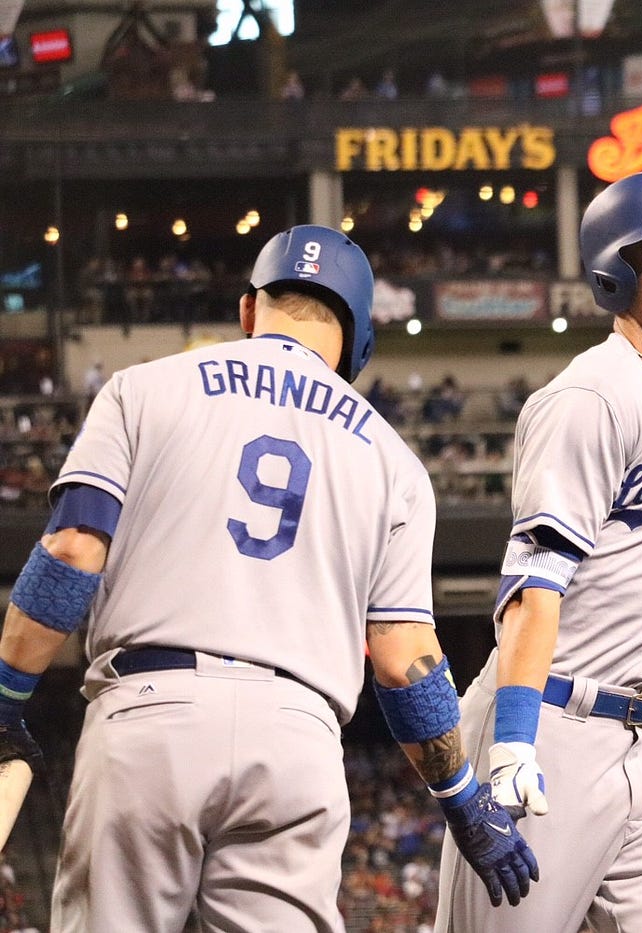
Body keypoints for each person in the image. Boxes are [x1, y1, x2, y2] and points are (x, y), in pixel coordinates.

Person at [0, 225, 536, 931]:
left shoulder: (142, 389)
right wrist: (461, 795)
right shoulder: (394, 460)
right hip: (297, 739)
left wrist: (7, 695)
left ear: (250, 309)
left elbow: (71, 551)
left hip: (148, 718)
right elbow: (407, 664)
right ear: (357, 336)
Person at [435, 171, 642, 931]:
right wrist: (512, 739)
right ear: (613, 274)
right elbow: (536, 586)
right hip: (551, 721)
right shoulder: (588, 400)